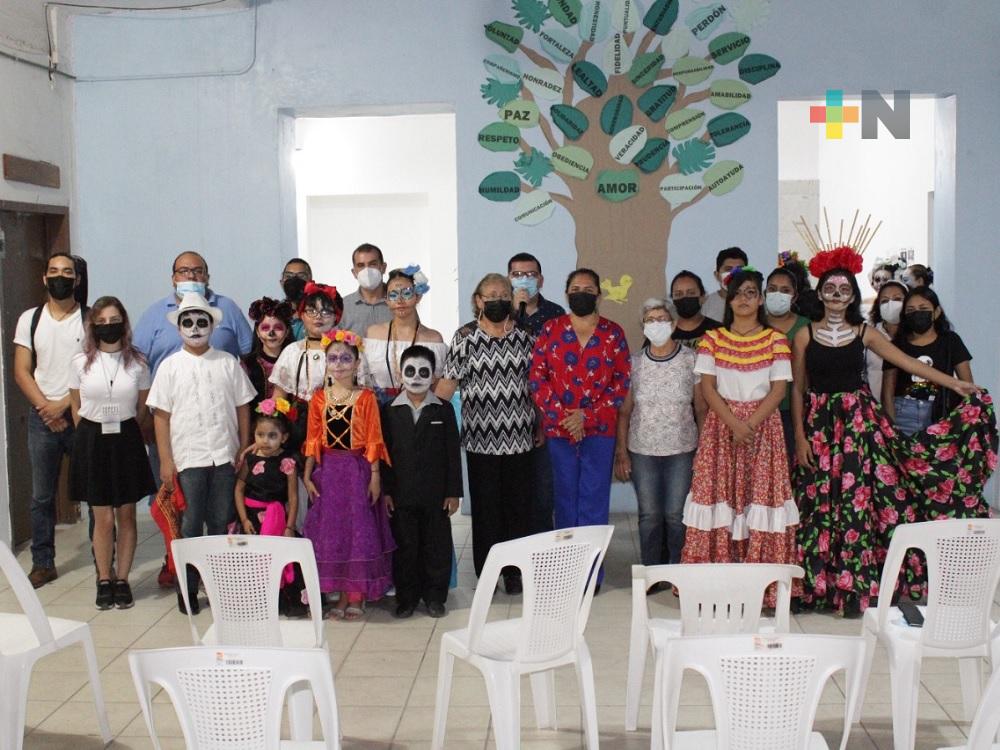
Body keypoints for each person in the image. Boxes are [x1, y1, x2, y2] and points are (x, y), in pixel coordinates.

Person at [791, 246, 994, 615]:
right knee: (820, 505)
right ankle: (819, 587)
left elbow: (905, 361)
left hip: (858, 426)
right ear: (820, 293)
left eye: (844, 290)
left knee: (855, 506)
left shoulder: (864, 332)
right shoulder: (804, 335)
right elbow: (797, 388)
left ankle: (854, 591)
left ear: (852, 295)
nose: (837, 296)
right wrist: (801, 437)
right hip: (820, 428)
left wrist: (956, 385)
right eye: (830, 289)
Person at [680, 268, 799, 604]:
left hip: (764, 430)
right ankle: (715, 587)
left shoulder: (776, 340)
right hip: (722, 428)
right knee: (720, 499)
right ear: (727, 300)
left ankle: (762, 590)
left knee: (758, 501)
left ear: (760, 299)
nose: (743, 300)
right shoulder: (713, 340)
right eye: (737, 294)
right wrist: (733, 423)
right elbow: (707, 387)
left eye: (750, 293)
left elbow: (778, 391)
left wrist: (749, 424)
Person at [146, 293, 256, 612]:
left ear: (212, 326)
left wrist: (244, 447)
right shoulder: (169, 367)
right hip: (188, 458)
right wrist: (166, 460)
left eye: (201, 322)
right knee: (191, 525)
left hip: (224, 456)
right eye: (188, 322)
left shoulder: (228, 363)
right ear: (179, 327)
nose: (195, 328)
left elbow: (243, 407)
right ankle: (188, 588)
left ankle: (219, 587)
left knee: (220, 522)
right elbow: (161, 416)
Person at [437, 274, 536, 594]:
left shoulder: (526, 336)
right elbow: (447, 386)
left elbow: (538, 386)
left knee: (518, 508)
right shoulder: (464, 337)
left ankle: (514, 572)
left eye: (504, 294)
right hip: (481, 440)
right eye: (490, 295)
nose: (497, 300)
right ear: (478, 300)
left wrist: (544, 424)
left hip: (521, 437)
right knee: (486, 509)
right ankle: (488, 571)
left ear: (513, 299)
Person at [529, 268, 630, 576]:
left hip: (599, 431)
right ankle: (565, 572)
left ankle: (590, 573)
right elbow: (537, 378)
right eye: (575, 288)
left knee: (594, 500)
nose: (581, 293)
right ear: (566, 293)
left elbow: (621, 382)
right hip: (559, 431)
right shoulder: (551, 330)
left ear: (598, 295)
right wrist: (564, 417)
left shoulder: (614, 333)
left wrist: (586, 416)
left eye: (588, 288)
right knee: (564, 499)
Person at [68, 297, 155, 609]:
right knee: (102, 516)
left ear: (124, 322)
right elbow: (75, 405)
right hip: (93, 438)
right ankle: (103, 578)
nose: (108, 326)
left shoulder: (138, 363)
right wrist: (88, 430)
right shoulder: (80, 362)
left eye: (114, 319)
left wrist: (124, 424)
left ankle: (123, 578)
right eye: (101, 321)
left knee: (127, 514)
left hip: (126, 437)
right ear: (93, 325)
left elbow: (143, 408)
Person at [302, 330, 394, 620]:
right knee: (334, 532)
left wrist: (375, 475)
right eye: (333, 359)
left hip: (357, 470)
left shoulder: (365, 398)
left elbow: (373, 438)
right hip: (329, 471)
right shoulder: (318, 398)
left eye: (345, 358)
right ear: (326, 363)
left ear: (356, 363)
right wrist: (307, 475)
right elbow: (313, 438)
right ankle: (340, 595)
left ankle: (357, 595)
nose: (339, 364)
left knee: (358, 531)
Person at [12, 252, 86, 588]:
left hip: (82, 416)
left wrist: (64, 406)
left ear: (77, 280)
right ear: (44, 278)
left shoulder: (89, 319)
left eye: (67, 272)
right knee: (42, 496)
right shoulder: (30, 319)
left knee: (96, 492)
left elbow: (97, 370)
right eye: (54, 271)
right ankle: (43, 563)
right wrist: (47, 408)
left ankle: (106, 558)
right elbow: (21, 370)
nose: (60, 277)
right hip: (43, 420)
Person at [614, 299, 698, 574]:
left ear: (673, 324)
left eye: (662, 318)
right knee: (650, 516)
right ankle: (651, 572)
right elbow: (625, 412)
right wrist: (622, 452)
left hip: (682, 449)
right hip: (643, 450)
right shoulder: (634, 363)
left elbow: (701, 408)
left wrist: (704, 449)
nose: (656, 324)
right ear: (643, 326)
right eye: (650, 319)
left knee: (675, 515)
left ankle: (677, 572)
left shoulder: (691, 360)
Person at [383, 345, 462, 618]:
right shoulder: (389, 410)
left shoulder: (443, 409)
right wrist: (386, 492)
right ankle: (406, 598)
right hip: (402, 494)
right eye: (410, 371)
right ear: (399, 372)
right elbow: (384, 455)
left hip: (436, 494)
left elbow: (453, 453)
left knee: (436, 546)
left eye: (423, 371)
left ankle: (435, 597)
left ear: (435, 375)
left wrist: (454, 492)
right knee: (405, 547)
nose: (416, 377)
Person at [508, 252, 564, 534]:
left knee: (544, 491)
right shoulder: (500, 314)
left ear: (540, 279)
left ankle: (542, 549)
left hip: (545, 412)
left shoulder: (556, 315)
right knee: (514, 491)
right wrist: (514, 312)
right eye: (517, 274)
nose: (523, 280)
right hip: (507, 414)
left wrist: (544, 417)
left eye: (529, 274)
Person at [133, 251, 253, 376]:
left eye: (198, 271)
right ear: (173, 279)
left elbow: (250, 356)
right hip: (168, 393)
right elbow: (135, 362)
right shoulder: (154, 314)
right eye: (183, 271)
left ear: (207, 278)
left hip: (220, 392)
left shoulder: (228, 308)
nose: (190, 276)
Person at [882, 287, 973, 435]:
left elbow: (967, 385)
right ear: (904, 315)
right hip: (904, 414)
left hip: (943, 412)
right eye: (910, 310)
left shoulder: (951, 341)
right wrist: (892, 429)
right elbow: (887, 392)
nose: (917, 313)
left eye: (923, 308)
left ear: (936, 312)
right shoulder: (897, 345)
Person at [270, 282, 344, 452]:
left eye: (325, 311)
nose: (318, 317)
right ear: (301, 315)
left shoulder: (347, 352)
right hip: (297, 426)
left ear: (336, 317)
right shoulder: (292, 351)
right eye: (311, 311)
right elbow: (279, 395)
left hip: (337, 423)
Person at [362, 266, 447, 404]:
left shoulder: (433, 339)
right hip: (378, 410)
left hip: (419, 408)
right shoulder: (373, 334)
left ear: (417, 296)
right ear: (387, 300)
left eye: (406, 293)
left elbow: (437, 384)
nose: (400, 300)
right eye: (393, 295)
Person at [764, 266, 811, 462]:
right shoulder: (754, 325)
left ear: (794, 296)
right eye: (772, 289)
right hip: (760, 412)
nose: (778, 295)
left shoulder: (807, 327)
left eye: (785, 290)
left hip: (795, 413)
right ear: (764, 293)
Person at [243, 297, 294, 409]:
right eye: (265, 328)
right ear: (257, 332)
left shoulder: (296, 362)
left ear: (287, 331)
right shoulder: (246, 365)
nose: (271, 333)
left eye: (278, 328)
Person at [864, 280, 907, 403]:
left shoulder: (915, 334)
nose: (891, 304)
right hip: (874, 406)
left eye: (897, 299)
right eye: (885, 301)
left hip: (909, 410)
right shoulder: (870, 333)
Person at [340, 243, 392, 337]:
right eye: (361, 265)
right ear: (354, 273)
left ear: (383, 268)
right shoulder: (343, 306)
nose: (367, 270)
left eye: (373, 264)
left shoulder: (400, 303)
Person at [670, 270, 723, 351]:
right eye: (678, 294)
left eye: (691, 293)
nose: (685, 297)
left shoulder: (720, 331)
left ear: (702, 297)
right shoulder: (662, 334)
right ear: (672, 300)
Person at [701, 247, 748, 323]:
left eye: (739, 269)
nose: (733, 274)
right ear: (717, 275)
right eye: (728, 269)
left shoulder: (755, 302)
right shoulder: (706, 304)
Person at [280, 258, 313, 341]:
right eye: (288, 276)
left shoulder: (320, 315)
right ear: (281, 282)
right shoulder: (273, 313)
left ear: (311, 283)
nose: (294, 279)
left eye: (301, 276)